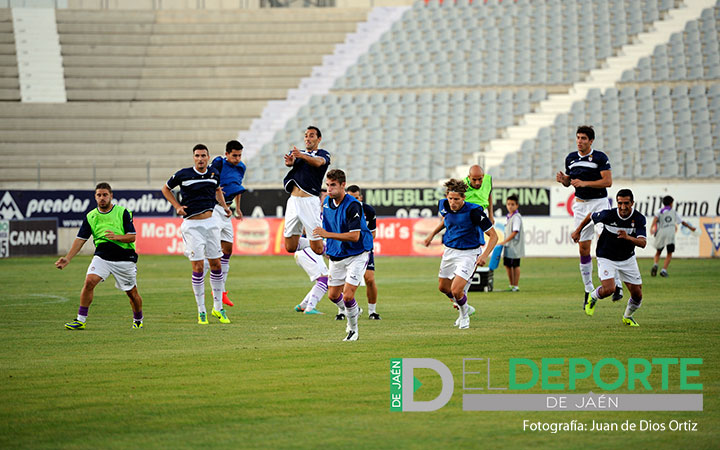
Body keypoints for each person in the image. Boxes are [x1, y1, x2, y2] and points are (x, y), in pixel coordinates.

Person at [57, 182, 144, 330]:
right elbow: (80, 240)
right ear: (95, 197)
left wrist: (116, 237)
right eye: (99, 195)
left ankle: (138, 319)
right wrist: (68, 258)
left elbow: (132, 237)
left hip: (124, 258)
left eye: (105, 195)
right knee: (89, 281)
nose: (102, 198)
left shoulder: (123, 212)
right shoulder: (91, 216)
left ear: (111, 196)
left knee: (132, 293)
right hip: (102, 257)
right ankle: (80, 320)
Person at [161, 144, 232, 325]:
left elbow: (217, 190)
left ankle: (218, 308)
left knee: (216, 264)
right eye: (197, 156)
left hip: (211, 224)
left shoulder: (214, 174)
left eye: (203, 156)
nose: (200, 159)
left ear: (208, 157)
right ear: (194, 158)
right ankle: (201, 311)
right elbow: (165, 189)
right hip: (192, 226)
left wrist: (224, 206)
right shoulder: (183, 175)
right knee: (199, 267)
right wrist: (177, 206)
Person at [556, 125, 623, 308]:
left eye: (584, 138)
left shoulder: (600, 157)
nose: (580, 141)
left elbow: (607, 182)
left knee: (606, 241)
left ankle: (616, 284)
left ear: (591, 141)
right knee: (583, 249)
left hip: (599, 203)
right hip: (580, 205)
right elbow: (571, 182)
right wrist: (565, 181)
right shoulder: (570, 158)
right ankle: (588, 288)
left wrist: (585, 183)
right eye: (578, 137)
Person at [423, 179, 498, 329]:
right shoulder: (443, 205)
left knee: (456, 290)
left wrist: (484, 256)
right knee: (443, 288)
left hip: (469, 254)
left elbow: (494, 236)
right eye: (450, 198)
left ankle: (464, 316)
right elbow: (446, 220)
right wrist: (432, 234)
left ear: (464, 198)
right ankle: (466, 306)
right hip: (450, 251)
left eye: (456, 199)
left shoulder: (475, 212)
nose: (452, 202)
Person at [312, 169, 374, 341]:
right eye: (327, 185)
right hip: (337, 253)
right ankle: (354, 310)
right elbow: (328, 226)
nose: (329, 189)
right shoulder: (326, 203)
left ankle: (353, 329)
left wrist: (327, 235)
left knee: (347, 295)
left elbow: (355, 236)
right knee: (333, 296)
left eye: (333, 185)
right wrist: (328, 246)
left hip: (357, 253)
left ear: (343, 185)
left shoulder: (353, 205)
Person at [571, 189, 647, 326]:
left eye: (626, 203)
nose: (623, 207)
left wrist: (628, 237)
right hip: (606, 256)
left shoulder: (639, 219)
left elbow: (643, 243)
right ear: (617, 202)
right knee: (609, 289)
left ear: (632, 203)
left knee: (637, 295)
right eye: (620, 203)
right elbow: (590, 216)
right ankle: (593, 296)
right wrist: (578, 231)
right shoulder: (608, 214)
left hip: (627, 259)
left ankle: (627, 317)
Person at [283, 126, 332, 316]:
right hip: (293, 202)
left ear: (319, 138)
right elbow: (292, 165)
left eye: (311, 135)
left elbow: (319, 163)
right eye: (306, 135)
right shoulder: (299, 154)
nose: (308, 138)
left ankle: (329, 246)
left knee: (318, 249)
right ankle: (325, 244)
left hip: (309, 201)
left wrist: (301, 156)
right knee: (289, 246)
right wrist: (290, 162)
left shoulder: (322, 154)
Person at [208, 139, 247, 307]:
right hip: (215, 208)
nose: (237, 158)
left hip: (227, 210)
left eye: (239, 155)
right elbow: (211, 181)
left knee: (228, 250)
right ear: (226, 154)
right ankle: (216, 288)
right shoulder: (218, 163)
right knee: (214, 248)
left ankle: (221, 288)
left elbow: (237, 188)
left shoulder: (241, 167)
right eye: (234, 155)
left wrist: (237, 208)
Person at [346, 184, 381, 320]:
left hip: (365, 249)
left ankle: (372, 311)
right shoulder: (344, 209)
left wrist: (363, 243)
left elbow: (373, 233)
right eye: (351, 197)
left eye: (356, 198)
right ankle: (342, 310)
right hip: (347, 249)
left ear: (360, 197)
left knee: (370, 279)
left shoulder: (368, 211)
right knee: (344, 280)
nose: (354, 200)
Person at [650, 195, 696, 277]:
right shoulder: (674, 212)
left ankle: (655, 264)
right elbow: (682, 222)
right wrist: (691, 228)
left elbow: (655, 219)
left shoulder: (659, 211)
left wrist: (651, 228)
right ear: (671, 203)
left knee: (658, 251)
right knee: (669, 253)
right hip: (670, 233)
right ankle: (664, 270)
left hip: (661, 232)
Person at [498, 194, 524, 292]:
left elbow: (515, 231)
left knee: (515, 265)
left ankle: (515, 285)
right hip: (509, 246)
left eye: (512, 204)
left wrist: (504, 241)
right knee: (508, 265)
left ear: (517, 205)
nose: (510, 206)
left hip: (514, 246)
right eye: (508, 204)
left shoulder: (516, 217)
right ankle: (511, 284)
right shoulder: (509, 216)